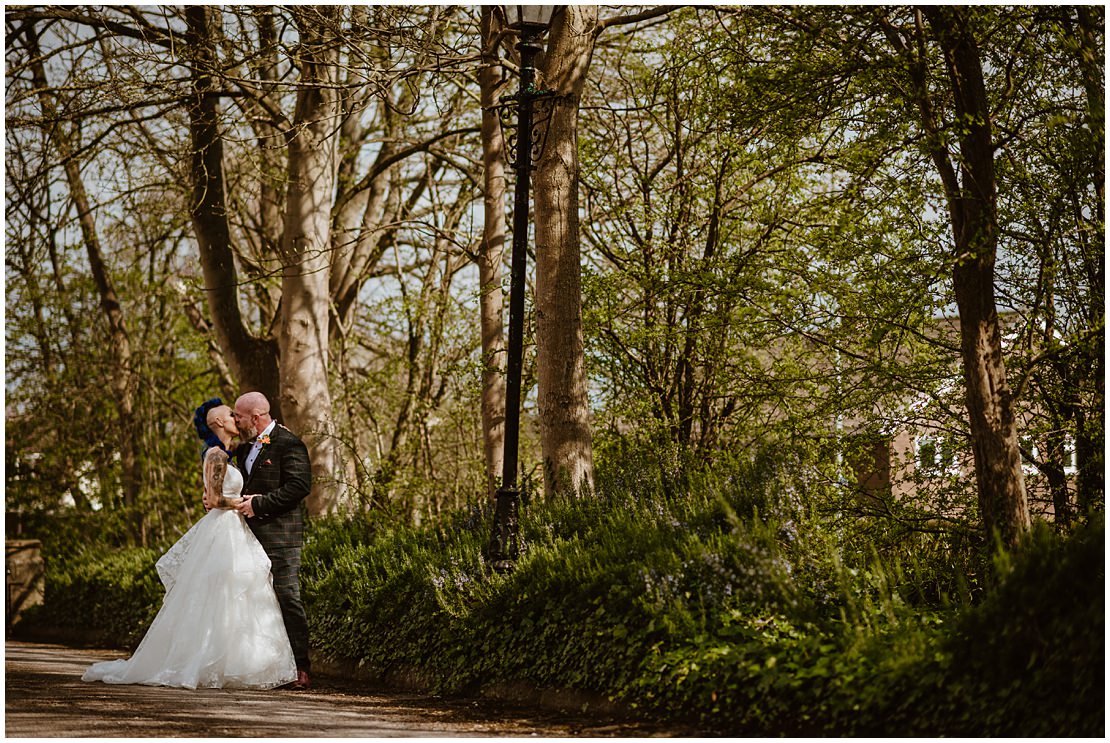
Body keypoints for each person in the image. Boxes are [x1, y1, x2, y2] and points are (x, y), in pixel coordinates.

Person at [82, 399, 297, 689]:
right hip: (224, 529)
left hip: (233, 529)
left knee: (236, 593)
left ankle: (238, 662)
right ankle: (210, 660)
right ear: (219, 422)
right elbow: (217, 500)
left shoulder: (231, 454)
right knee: (220, 592)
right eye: (230, 415)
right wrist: (247, 502)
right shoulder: (216, 455)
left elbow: (214, 497)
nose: (235, 418)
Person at [229, 391, 313, 690]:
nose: (235, 420)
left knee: (287, 598)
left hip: (281, 537)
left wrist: (260, 504)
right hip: (248, 536)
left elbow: (300, 486)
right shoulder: (244, 447)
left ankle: (301, 667)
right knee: (252, 600)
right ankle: (262, 666)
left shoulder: (289, 443)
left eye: (238, 415)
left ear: (256, 417)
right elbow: (241, 487)